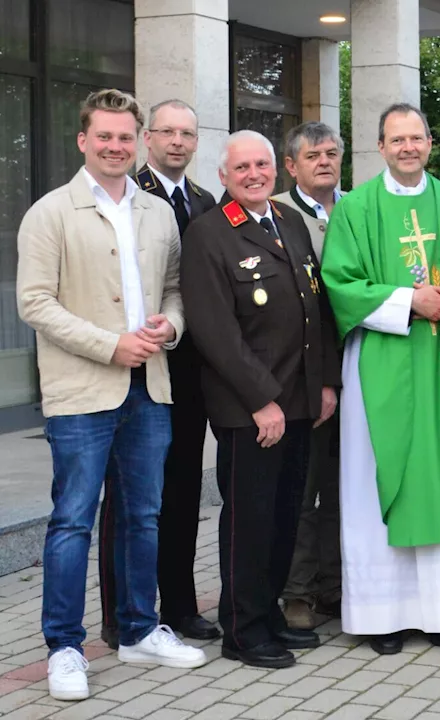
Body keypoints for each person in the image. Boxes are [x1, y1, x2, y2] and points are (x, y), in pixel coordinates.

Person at [16, 89, 208, 702]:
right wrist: (109, 345)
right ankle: (65, 648)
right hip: (82, 390)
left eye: (126, 137)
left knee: (143, 515)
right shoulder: (51, 212)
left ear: (138, 141)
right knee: (73, 520)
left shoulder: (156, 212)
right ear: (83, 140)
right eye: (105, 136)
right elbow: (34, 302)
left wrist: (170, 327)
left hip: (149, 385)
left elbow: (176, 289)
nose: (116, 146)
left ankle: (138, 628)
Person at [321, 104, 440, 656]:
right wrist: (407, 301)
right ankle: (380, 616)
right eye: (397, 139)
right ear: (381, 146)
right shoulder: (356, 209)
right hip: (381, 360)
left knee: (438, 476)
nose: (408, 147)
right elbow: (339, 281)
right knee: (374, 484)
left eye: (416, 137)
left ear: (430, 142)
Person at [181, 130, 341, 669]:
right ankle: (243, 632)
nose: (254, 174)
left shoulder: (289, 220)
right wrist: (261, 401)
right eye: (241, 167)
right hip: (251, 409)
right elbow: (214, 330)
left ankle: (267, 614)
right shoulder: (209, 234)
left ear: (277, 169)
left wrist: (323, 384)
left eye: (262, 165)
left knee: (284, 516)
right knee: (248, 520)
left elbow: (313, 311)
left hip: (299, 401)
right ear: (223, 177)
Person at [96, 98, 219, 650]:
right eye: (166, 131)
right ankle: (120, 613)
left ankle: (181, 606)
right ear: (148, 138)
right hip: (135, 368)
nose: (176, 141)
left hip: (188, 374)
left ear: (196, 142)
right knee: (129, 499)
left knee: (184, 492)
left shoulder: (203, 200)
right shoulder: (128, 193)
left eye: (186, 134)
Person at [272, 121, 346, 631]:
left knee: (345, 487)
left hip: (359, 369)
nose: (324, 161)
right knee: (304, 486)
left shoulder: (359, 207)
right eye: (313, 155)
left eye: (331, 153)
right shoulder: (275, 212)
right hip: (304, 376)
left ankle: (335, 584)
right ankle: (296, 592)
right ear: (291, 165)